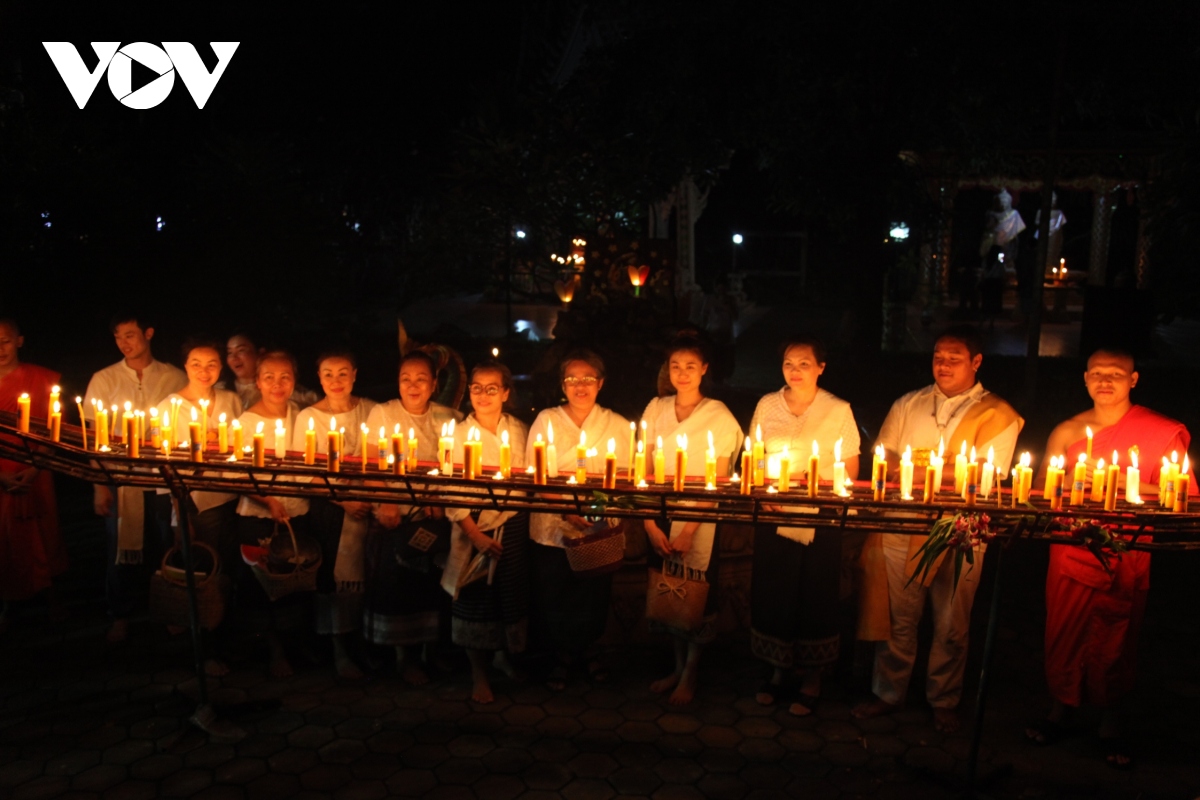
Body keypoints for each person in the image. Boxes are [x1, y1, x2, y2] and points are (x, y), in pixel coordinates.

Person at [1026, 348, 1193, 769]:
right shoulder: (1068, 431)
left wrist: (1123, 489)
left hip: (1126, 548)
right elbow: (1044, 491)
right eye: (1097, 373)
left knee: (1116, 637)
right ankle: (1060, 707)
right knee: (1063, 629)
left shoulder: (1159, 431)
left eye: (1115, 374)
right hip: (1072, 545)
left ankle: (1110, 718)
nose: (1105, 381)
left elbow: (1184, 495)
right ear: (1084, 379)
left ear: (1133, 380)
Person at [854, 325, 1022, 733]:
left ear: (976, 362)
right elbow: (886, 460)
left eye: (954, 358)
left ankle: (943, 699)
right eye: (938, 357)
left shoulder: (998, 414)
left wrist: (921, 467)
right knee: (898, 617)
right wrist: (940, 469)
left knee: (951, 621)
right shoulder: (908, 404)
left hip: (961, 527)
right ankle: (888, 693)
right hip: (904, 523)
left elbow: (987, 475)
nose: (943, 365)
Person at [749, 337, 860, 716]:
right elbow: (756, 456)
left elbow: (850, 466)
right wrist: (768, 492)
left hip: (821, 517)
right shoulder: (767, 405)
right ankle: (778, 670)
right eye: (788, 364)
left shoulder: (837, 409)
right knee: (775, 590)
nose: (795, 371)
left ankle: (813, 677)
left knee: (816, 594)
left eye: (804, 364)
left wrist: (818, 493)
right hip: (775, 514)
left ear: (821, 368)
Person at [641, 337, 743, 705]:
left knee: (697, 594)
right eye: (675, 366)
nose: (681, 374)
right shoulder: (655, 408)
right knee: (668, 592)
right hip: (661, 510)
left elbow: (717, 480)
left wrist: (689, 529)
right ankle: (676, 665)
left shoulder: (718, 416)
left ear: (704, 369)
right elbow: (645, 469)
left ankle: (691, 672)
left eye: (690, 366)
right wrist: (651, 523)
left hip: (698, 518)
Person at [525, 349, 631, 690]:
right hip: (553, 525)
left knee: (593, 592)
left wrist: (595, 512)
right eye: (572, 379)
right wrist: (567, 510)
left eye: (588, 379)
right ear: (562, 385)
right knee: (555, 591)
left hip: (597, 527)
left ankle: (590, 651)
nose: (580, 386)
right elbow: (536, 473)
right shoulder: (547, 420)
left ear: (600, 383)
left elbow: (625, 475)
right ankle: (561, 656)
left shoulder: (615, 424)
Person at [84, 312, 187, 642]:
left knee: (165, 546)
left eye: (130, 335)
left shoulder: (173, 376)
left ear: (148, 333)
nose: (124, 343)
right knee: (121, 550)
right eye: (118, 337)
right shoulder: (105, 379)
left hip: (161, 480)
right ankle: (121, 614)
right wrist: (100, 485)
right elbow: (93, 437)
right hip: (122, 479)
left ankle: (169, 609)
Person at [363, 350, 461, 684]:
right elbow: (372, 464)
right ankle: (402, 657)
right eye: (406, 378)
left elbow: (455, 466)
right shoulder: (384, 413)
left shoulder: (450, 417)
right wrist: (388, 501)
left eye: (421, 378)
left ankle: (431, 653)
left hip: (434, 517)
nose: (413, 385)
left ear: (434, 384)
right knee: (397, 588)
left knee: (432, 588)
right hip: (397, 516)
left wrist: (437, 495)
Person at [153, 340, 244, 674]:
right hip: (195, 504)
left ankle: (225, 644)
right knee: (200, 577)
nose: (204, 371)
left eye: (212, 364)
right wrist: (180, 516)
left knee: (227, 575)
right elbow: (168, 469)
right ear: (185, 366)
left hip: (230, 501)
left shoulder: (231, 401)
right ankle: (202, 652)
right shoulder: (170, 407)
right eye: (196, 363)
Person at [442, 360, 530, 703]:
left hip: (514, 523)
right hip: (474, 524)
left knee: (508, 597)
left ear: (506, 393)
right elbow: (451, 490)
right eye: (477, 387)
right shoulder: (459, 434)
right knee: (474, 599)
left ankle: (503, 657)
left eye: (492, 388)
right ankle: (479, 674)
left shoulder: (520, 430)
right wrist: (475, 534)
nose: (483, 394)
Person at [292, 350, 377, 679]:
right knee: (334, 582)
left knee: (366, 579)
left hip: (368, 506)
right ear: (319, 377)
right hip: (330, 509)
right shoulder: (308, 417)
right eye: (328, 374)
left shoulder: (370, 410)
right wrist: (344, 501)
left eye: (343, 373)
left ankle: (365, 645)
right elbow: (305, 472)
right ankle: (339, 650)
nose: (336, 381)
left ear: (354, 375)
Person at [233, 351, 310, 677]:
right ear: (258, 381)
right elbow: (236, 474)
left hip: (297, 511)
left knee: (297, 579)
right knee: (266, 584)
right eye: (269, 377)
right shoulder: (247, 422)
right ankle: (273, 650)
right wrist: (266, 499)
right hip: (258, 516)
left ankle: (298, 645)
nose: (277, 385)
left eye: (285, 377)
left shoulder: (301, 415)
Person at [0, 319, 68, 632]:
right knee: (6, 541)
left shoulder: (41, 379)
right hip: (1, 478)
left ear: (19, 341)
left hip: (34, 473)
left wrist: (35, 468)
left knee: (43, 536)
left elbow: (55, 432)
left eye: (6, 341)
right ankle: (9, 602)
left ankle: (51, 597)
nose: (0, 349)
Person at [220, 333, 318, 410]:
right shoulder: (220, 391)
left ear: (260, 352)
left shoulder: (288, 392)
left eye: (241, 350)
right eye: (230, 353)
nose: (234, 357)